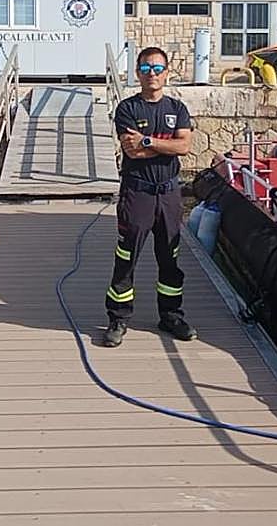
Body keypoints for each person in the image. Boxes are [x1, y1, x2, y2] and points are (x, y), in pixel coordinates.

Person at [103, 46, 197, 348]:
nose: (151, 74)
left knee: (169, 258)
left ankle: (171, 315)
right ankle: (118, 318)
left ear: (166, 73)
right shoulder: (127, 109)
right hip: (137, 193)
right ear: (137, 73)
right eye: (145, 69)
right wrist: (164, 145)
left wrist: (147, 141)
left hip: (169, 194)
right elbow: (132, 151)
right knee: (126, 257)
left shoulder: (177, 109)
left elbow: (184, 147)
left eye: (157, 69)